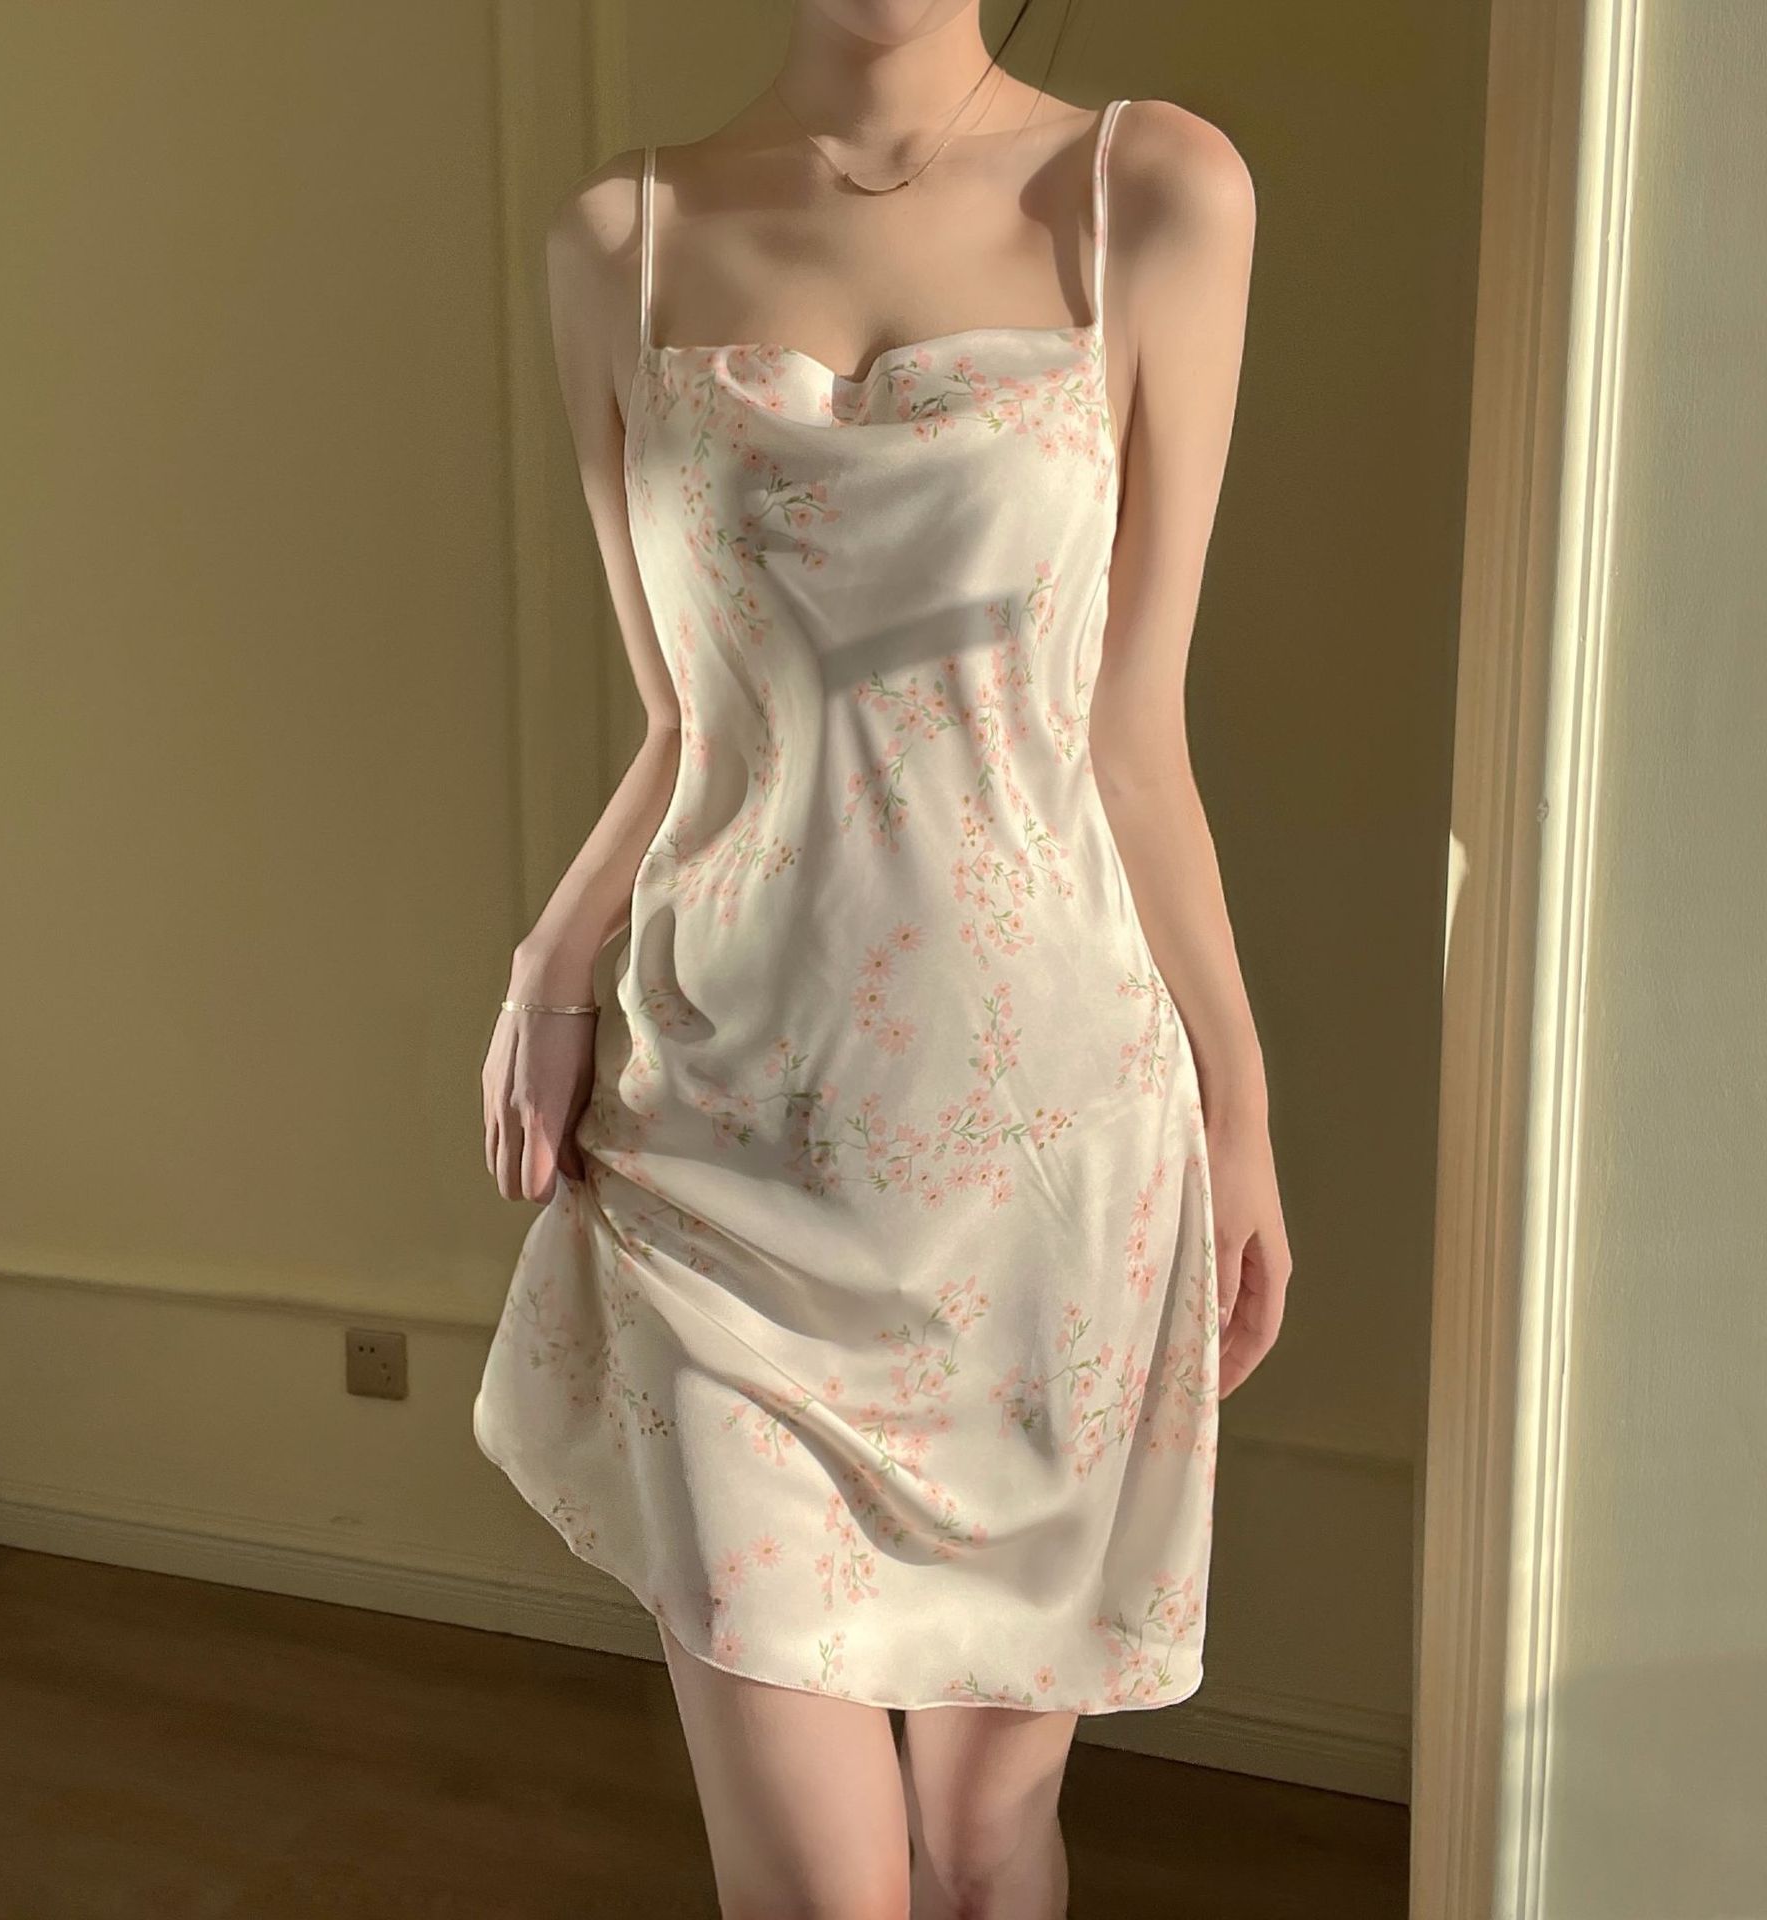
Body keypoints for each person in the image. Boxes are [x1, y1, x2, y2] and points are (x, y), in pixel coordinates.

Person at [476, 2, 1291, 1912]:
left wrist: (1242, 1113)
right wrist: (552, 959)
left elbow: (1134, 728)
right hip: (723, 1145)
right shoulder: (621, 244)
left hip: (1048, 1166)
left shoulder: (1152, 192)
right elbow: (687, 721)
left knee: (982, 1838)